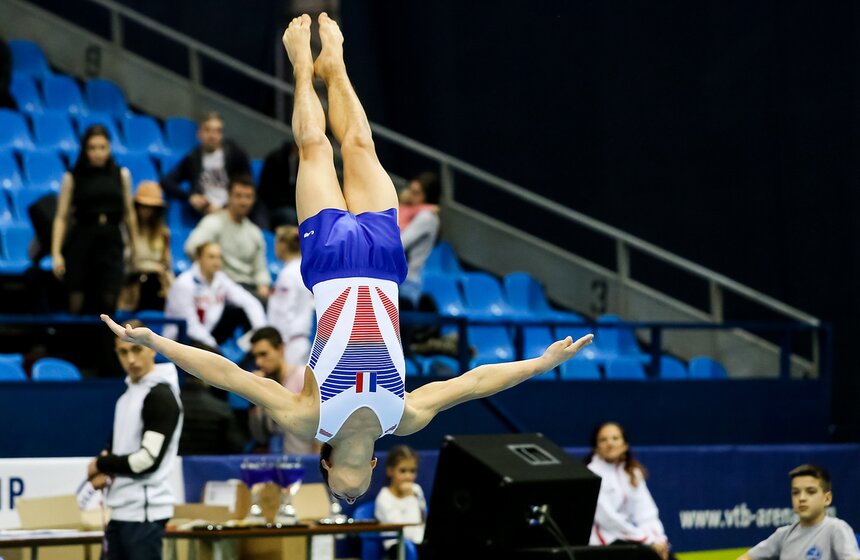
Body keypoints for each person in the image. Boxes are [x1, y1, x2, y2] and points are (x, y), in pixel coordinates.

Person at [101, 12, 593, 505]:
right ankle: (328, 66)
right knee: (342, 146)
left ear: (332, 457)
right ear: (343, 460)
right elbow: (476, 382)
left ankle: (307, 66)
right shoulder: (394, 416)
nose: (357, 474)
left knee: (330, 148)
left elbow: (226, 374)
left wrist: (541, 363)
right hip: (373, 265)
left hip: (347, 267)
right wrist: (538, 363)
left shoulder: (325, 417)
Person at [86, 320, 183, 560]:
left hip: (145, 515)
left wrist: (101, 465)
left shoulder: (160, 395)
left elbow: (146, 460)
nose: (130, 359)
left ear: (151, 348)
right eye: (123, 351)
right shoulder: (127, 396)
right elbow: (116, 447)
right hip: (120, 510)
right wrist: (104, 467)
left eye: (136, 349)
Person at [52, 125, 138, 314]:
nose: (97, 153)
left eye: (102, 147)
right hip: (82, 240)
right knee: (77, 301)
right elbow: (61, 217)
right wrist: (57, 252)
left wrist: (135, 245)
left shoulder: (121, 175)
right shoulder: (72, 177)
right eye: (92, 147)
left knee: (109, 299)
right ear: (85, 149)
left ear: (109, 148)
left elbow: (129, 213)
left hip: (111, 241)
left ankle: (106, 342)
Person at [586, 422, 675, 560]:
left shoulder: (632, 473)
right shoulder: (591, 474)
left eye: (615, 438)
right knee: (647, 555)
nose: (610, 443)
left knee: (668, 556)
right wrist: (647, 541)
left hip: (634, 538)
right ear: (596, 447)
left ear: (625, 445)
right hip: (606, 541)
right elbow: (609, 520)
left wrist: (658, 539)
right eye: (603, 440)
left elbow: (647, 513)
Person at [738, 465, 860, 560]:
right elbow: (747, 558)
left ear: (827, 498)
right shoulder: (783, 534)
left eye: (810, 491)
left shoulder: (837, 528)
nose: (801, 498)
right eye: (795, 492)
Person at [163, 241, 267, 350]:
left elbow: (249, 302)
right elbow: (190, 325)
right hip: (182, 338)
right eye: (211, 257)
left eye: (219, 257)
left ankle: (255, 350)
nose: (216, 262)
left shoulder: (221, 279)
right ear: (199, 259)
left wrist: (261, 333)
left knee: (240, 310)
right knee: (214, 357)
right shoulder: (184, 283)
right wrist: (212, 346)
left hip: (208, 331)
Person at [184, 175, 270, 299]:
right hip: (220, 287)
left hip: (248, 289)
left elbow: (260, 269)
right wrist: (210, 273)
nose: (243, 202)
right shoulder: (213, 222)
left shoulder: (255, 232)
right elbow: (192, 248)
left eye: (248, 197)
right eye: (238, 196)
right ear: (229, 196)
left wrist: (263, 287)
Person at [160, 112, 251, 216]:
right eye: (208, 130)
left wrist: (226, 208)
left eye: (217, 131)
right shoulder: (193, 158)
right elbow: (166, 181)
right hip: (206, 215)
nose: (213, 136)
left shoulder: (235, 154)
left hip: (232, 213)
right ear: (199, 134)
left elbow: (248, 187)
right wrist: (190, 196)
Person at [247, 327, 319, 454]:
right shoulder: (265, 385)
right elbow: (260, 437)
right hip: (277, 462)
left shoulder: (302, 377)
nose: (258, 362)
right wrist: (255, 398)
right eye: (255, 356)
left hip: (305, 462)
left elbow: (320, 428)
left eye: (264, 354)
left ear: (280, 349)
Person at [118, 181, 174, 311]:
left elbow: (167, 265)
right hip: (132, 283)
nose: (147, 210)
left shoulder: (163, 233)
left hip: (157, 284)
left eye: (152, 207)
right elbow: (126, 264)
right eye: (143, 206)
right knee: (148, 280)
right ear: (136, 206)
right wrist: (151, 267)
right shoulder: (126, 230)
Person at [267, 225, 314, 366]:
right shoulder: (305, 270)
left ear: (282, 245)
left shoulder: (288, 274)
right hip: (301, 339)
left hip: (288, 342)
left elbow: (283, 311)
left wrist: (276, 343)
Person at [374, 445, 426, 558]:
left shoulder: (417, 489)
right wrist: (409, 497)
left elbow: (422, 521)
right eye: (402, 471)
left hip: (420, 543)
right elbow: (406, 532)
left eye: (412, 471)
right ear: (390, 471)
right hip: (397, 545)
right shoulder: (384, 498)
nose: (408, 476)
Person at [398, 172, 441, 304]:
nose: (410, 195)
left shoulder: (427, 217)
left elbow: (400, 243)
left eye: (416, 193)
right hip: (400, 279)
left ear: (427, 196)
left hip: (407, 283)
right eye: (410, 190)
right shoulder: (408, 211)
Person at [179, 375, 246, 456]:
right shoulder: (221, 408)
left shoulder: (173, 403)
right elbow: (235, 445)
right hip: (211, 463)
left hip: (176, 463)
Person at [257, 140, 299, 229]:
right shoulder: (275, 159)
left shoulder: (304, 165)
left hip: (292, 205)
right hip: (271, 205)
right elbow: (267, 191)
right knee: (290, 216)